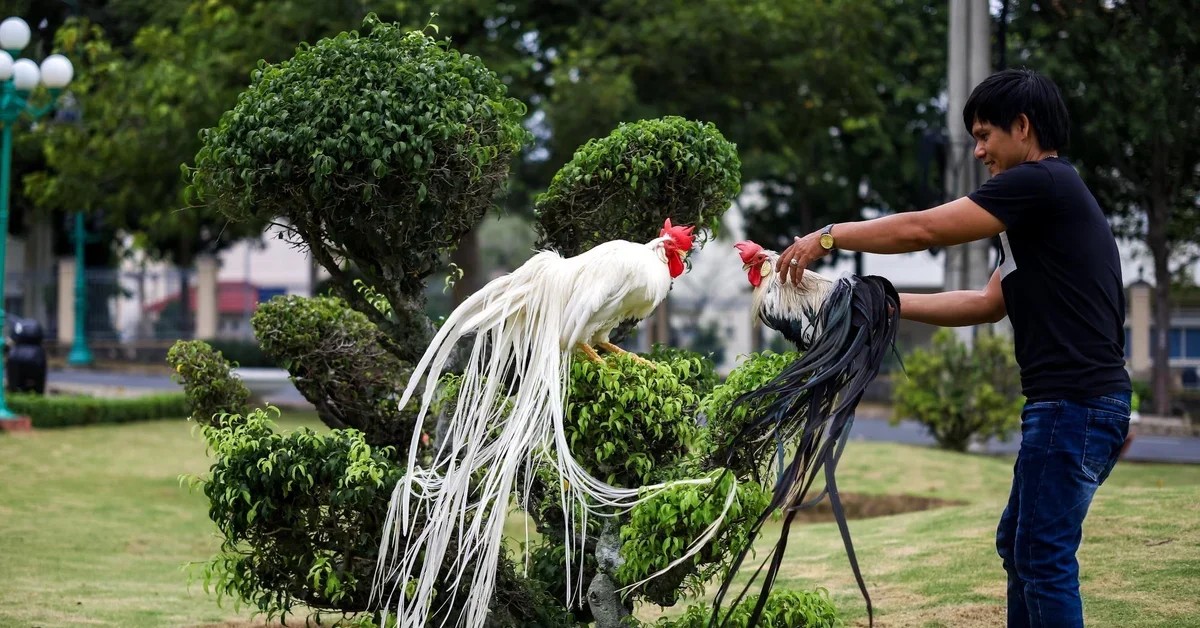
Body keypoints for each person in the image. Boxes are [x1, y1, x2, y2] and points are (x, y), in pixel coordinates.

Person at [774, 68, 1131, 628]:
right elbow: (988, 303)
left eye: (986, 135)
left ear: (1023, 127)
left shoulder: (1041, 184)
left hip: (1074, 405)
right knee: (1021, 546)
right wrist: (890, 305)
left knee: (1041, 555)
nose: (979, 150)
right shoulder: (1040, 206)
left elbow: (924, 230)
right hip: (1076, 405)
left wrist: (827, 237)